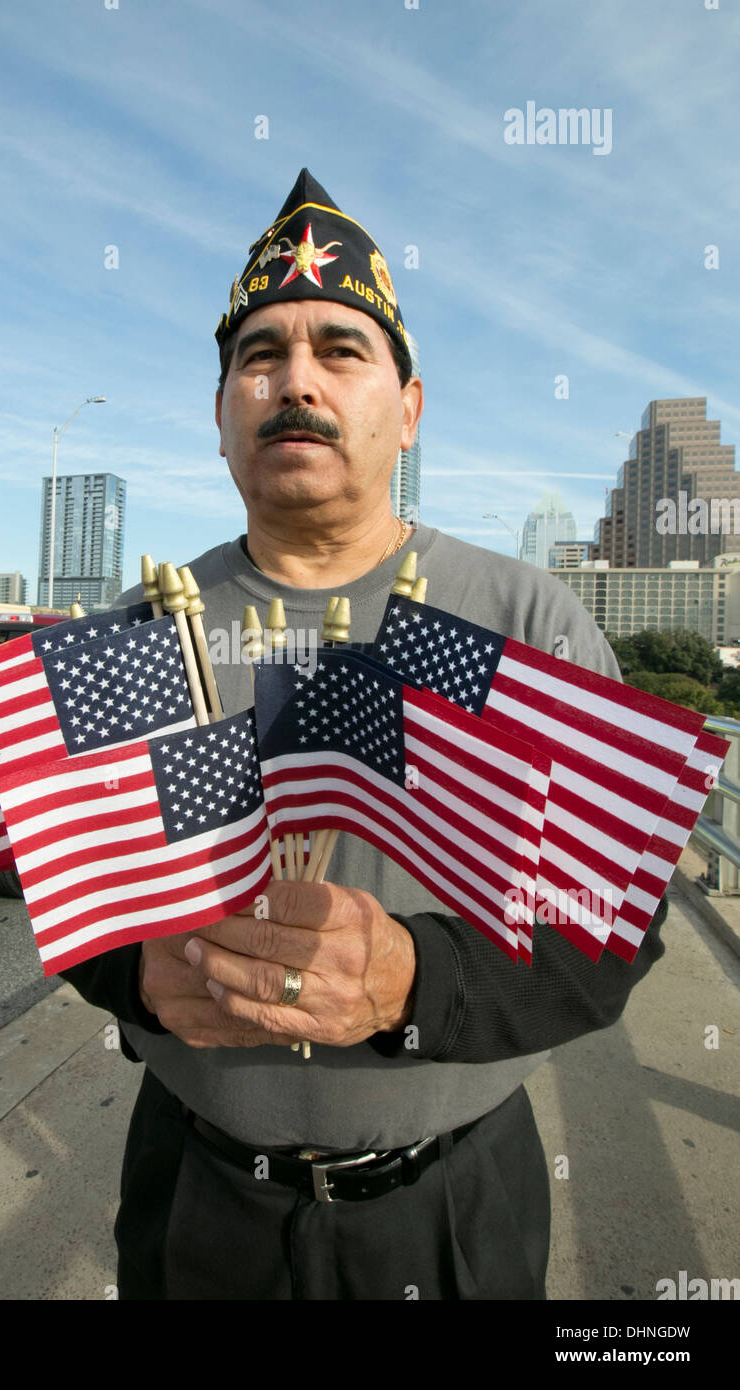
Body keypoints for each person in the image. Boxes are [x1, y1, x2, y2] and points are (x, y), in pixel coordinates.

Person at [59, 170, 666, 1301]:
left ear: (411, 406)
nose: (296, 381)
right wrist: (130, 977)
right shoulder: (147, 631)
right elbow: (71, 891)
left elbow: (619, 937)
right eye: (259, 354)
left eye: (342, 349)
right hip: (195, 1197)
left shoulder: (526, 624)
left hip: (450, 1210)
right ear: (223, 410)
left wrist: (412, 982)